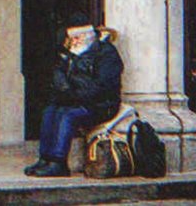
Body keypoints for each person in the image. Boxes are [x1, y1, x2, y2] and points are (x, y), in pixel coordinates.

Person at [24, 13, 124, 177]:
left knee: (67, 114)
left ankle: (58, 161)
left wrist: (72, 93)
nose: (74, 42)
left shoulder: (107, 54)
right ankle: (45, 158)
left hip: (101, 104)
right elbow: (60, 77)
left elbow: (100, 88)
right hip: (77, 99)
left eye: (77, 37)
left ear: (87, 36)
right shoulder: (71, 55)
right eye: (72, 38)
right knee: (50, 111)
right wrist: (63, 87)